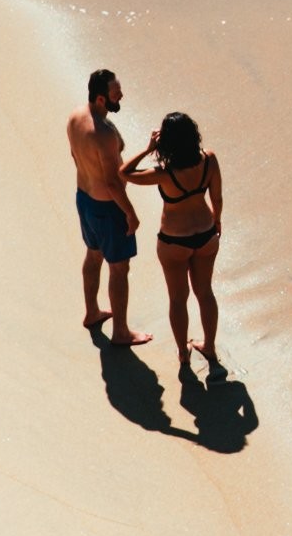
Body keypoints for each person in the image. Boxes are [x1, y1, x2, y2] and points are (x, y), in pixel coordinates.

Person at [137, 110, 226, 381]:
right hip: (205, 233)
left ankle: (183, 353)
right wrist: (217, 221)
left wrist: (147, 149)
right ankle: (209, 347)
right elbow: (218, 198)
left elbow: (124, 173)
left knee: (178, 298)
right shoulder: (209, 160)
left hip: (174, 240)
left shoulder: (163, 174)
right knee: (205, 292)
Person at [67, 68, 142, 346]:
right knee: (119, 268)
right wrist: (131, 214)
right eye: (115, 93)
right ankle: (121, 332)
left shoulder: (75, 117)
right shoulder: (104, 134)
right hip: (108, 208)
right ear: (101, 99)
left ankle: (92, 312)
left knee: (93, 254)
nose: (120, 95)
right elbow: (112, 182)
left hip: (84, 198)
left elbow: (75, 156)